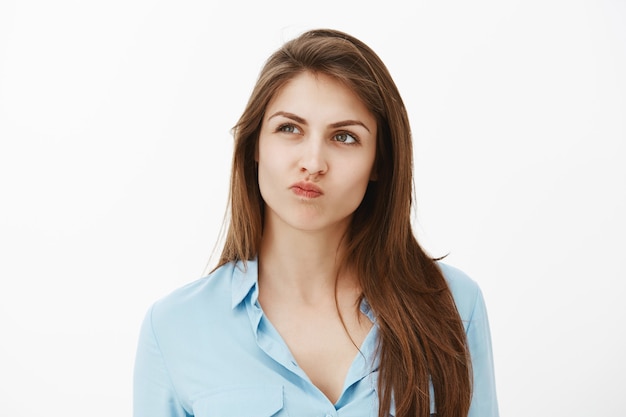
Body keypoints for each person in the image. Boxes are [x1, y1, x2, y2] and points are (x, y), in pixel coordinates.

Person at [133, 28, 499, 417]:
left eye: (344, 137)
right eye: (289, 128)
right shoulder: (174, 329)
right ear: (255, 145)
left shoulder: (454, 305)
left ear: (379, 163)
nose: (313, 162)